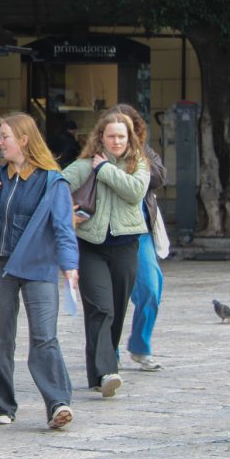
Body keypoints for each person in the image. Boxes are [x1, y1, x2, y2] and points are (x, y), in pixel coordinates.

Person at [0, 113, 79, 429]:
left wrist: (70, 266)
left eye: (5, 137)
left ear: (24, 140)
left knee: (44, 336)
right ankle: (3, 405)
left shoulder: (51, 181)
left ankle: (58, 403)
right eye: (0, 137)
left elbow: (63, 228)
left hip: (37, 264)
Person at [62, 111, 149, 398]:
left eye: (121, 136)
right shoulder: (85, 165)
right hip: (91, 246)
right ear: (101, 137)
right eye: (111, 136)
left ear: (129, 138)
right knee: (101, 308)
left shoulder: (138, 164)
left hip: (126, 245)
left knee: (118, 310)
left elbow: (135, 192)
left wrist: (106, 170)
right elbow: (57, 186)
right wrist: (68, 211)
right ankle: (108, 370)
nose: (116, 141)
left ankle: (98, 374)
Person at [112, 105, 168, 372]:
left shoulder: (145, 152)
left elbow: (159, 177)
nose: (120, 137)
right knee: (112, 294)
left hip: (141, 231)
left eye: (127, 129)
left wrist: (137, 155)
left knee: (151, 287)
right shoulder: (99, 156)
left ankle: (140, 345)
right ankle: (108, 351)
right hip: (110, 233)